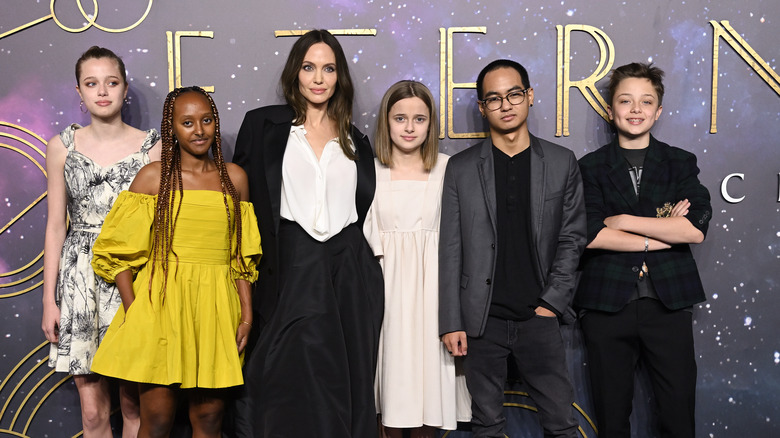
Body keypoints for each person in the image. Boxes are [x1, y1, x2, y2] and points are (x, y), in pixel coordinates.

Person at [232, 29, 384, 437]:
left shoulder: (356, 140)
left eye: (329, 68)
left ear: (340, 77)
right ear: (295, 73)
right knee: (283, 374)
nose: (318, 78)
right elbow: (241, 206)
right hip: (290, 263)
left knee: (347, 375)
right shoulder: (263, 125)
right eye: (309, 67)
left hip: (349, 269)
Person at [88, 86, 262, 438]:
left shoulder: (235, 179)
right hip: (161, 305)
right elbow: (117, 251)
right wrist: (136, 308)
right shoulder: (153, 178)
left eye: (207, 120)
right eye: (187, 122)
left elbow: (241, 257)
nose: (199, 130)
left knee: (211, 419)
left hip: (216, 308)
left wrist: (246, 314)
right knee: (157, 420)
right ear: (172, 129)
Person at [439, 59, 586, 438]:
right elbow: (450, 247)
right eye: (494, 98)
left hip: (539, 315)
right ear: (482, 106)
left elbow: (572, 238)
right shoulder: (460, 168)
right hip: (480, 321)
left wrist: (551, 303)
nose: (505, 104)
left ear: (530, 96)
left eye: (514, 94)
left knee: (561, 423)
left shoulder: (560, 162)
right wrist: (453, 320)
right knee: (486, 425)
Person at [575, 62, 711, 438]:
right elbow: (590, 233)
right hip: (606, 306)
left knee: (678, 416)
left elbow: (695, 229)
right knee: (612, 417)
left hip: (668, 305)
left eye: (645, 101)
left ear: (658, 111)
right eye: (625, 100)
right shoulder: (590, 167)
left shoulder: (680, 162)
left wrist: (622, 220)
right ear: (610, 109)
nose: (636, 110)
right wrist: (663, 234)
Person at [41, 45, 161, 438]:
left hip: (134, 276)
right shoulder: (62, 147)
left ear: (125, 88)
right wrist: (49, 300)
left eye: (111, 82)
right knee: (92, 413)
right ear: (79, 92)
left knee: (134, 406)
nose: (103, 91)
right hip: (79, 282)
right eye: (92, 83)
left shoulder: (154, 148)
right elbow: (56, 225)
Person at [364, 80, 471, 438]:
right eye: (400, 118)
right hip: (385, 298)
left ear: (431, 124)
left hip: (434, 298)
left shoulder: (449, 168)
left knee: (429, 403)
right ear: (386, 121)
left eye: (419, 119)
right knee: (388, 399)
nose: (409, 128)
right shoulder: (367, 170)